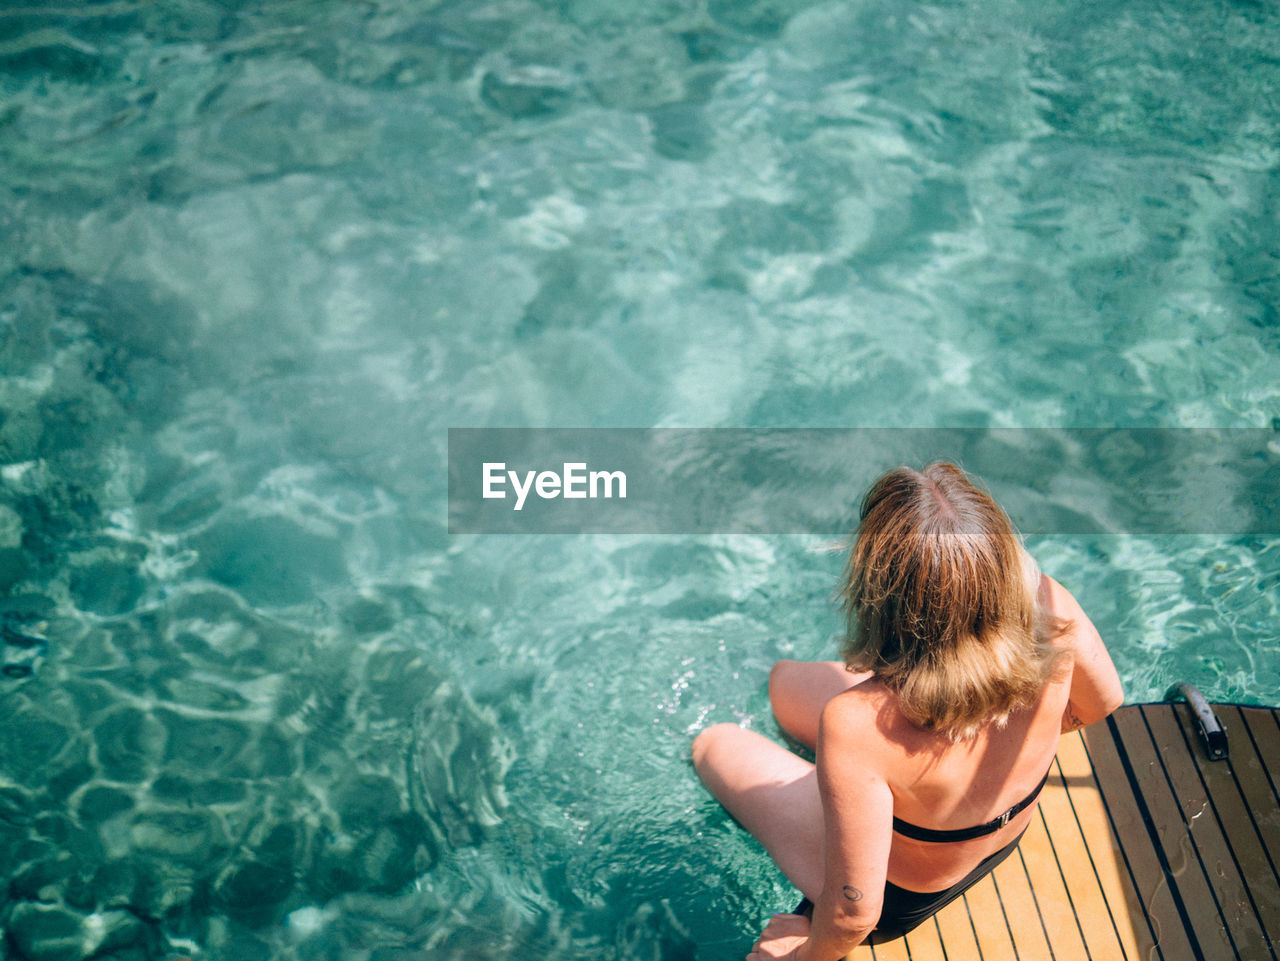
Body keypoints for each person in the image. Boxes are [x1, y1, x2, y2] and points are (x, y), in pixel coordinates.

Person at [691, 462, 1123, 960]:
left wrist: (798, 956)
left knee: (714, 743)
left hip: (908, 896)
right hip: (1001, 838)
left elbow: (854, 914)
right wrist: (1002, 746)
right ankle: (864, 789)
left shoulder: (856, 723)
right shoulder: (1051, 606)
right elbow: (1102, 702)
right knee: (783, 683)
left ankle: (855, 789)